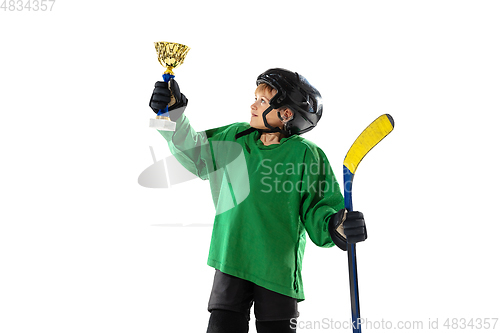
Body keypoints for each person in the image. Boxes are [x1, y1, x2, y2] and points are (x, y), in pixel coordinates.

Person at [149, 68, 367, 333]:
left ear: (286, 114)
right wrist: (171, 115)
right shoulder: (235, 138)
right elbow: (194, 151)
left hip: (277, 269)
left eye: (262, 101)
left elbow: (320, 208)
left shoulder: (306, 155)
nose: (253, 105)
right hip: (231, 257)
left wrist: (337, 224)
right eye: (255, 98)